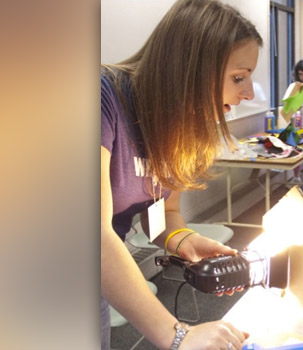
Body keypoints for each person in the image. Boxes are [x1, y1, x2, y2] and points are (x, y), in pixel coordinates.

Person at [101, 0, 262, 349]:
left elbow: (163, 216)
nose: (248, 93)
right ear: (191, 67)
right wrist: (178, 335)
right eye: (238, 78)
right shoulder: (100, 99)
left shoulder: (177, 126)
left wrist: (183, 240)